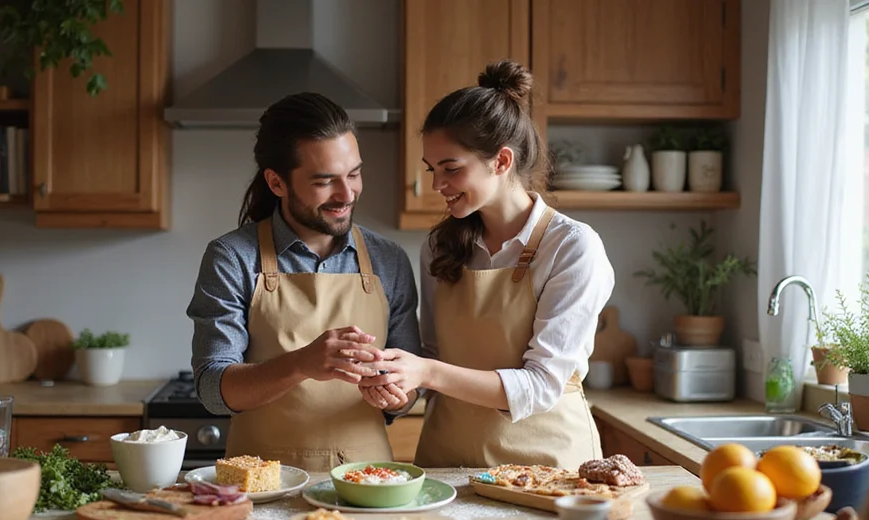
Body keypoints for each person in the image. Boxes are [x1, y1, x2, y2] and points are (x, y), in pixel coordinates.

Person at [356, 60, 615, 469]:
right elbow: (433, 353)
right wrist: (397, 386)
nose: (437, 184)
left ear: (502, 161)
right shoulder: (439, 246)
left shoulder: (571, 247)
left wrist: (426, 372)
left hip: (547, 469)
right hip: (449, 463)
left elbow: (541, 385)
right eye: (432, 170)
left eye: (451, 168)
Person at [186, 92, 422, 472]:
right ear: (277, 182)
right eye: (325, 181)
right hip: (261, 483)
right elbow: (213, 389)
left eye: (354, 174)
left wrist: (396, 396)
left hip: (367, 481)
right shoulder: (233, 257)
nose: (347, 194)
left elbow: (410, 388)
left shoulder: (388, 259)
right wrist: (300, 364)